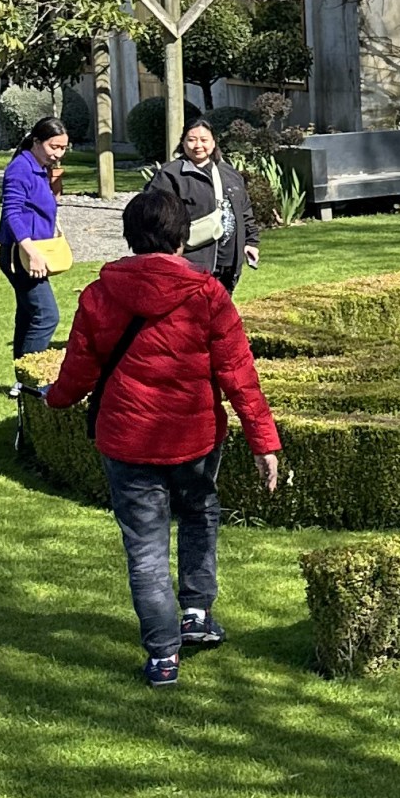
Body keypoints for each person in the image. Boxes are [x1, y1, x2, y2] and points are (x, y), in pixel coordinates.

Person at [45, 190, 281, 688]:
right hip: (192, 436)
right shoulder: (207, 294)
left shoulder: (100, 294)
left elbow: (79, 370)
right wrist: (264, 442)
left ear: (130, 237)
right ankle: (195, 610)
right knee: (198, 514)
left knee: (146, 548)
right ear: (181, 236)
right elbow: (239, 374)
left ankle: (163, 654)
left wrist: (55, 400)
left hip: (128, 439)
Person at [143, 117, 259, 294]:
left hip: (228, 264)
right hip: (192, 264)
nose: (198, 145)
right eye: (191, 139)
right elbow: (153, 217)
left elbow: (244, 211)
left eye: (204, 140)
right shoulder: (170, 175)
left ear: (213, 143)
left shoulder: (229, 173)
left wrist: (251, 242)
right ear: (183, 143)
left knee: (221, 315)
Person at [0, 116, 69, 383]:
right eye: (54, 147)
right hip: (22, 254)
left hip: (31, 251)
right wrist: (31, 251)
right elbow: (11, 213)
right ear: (36, 142)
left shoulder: (39, 167)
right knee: (46, 315)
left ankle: (21, 381)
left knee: (28, 315)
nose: (58, 153)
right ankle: (30, 379)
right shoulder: (21, 168)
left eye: (63, 148)